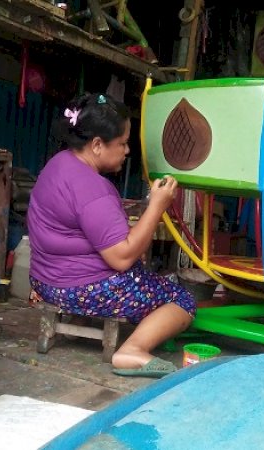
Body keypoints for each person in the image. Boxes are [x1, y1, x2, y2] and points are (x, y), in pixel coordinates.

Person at [27, 93, 196, 379]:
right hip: (82, 289)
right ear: (96, 145)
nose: (127, 150)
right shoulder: (93, 188)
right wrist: (156, 206)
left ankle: (90, 319)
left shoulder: (59, 163)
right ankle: (133, 350)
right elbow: (122, 258)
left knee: (145, 275)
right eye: (122, 143)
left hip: (44, 282)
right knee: (181, 299)